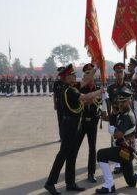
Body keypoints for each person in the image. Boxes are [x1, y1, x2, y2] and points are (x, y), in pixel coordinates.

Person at [44, 64, 104, 195]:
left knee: (71, 155)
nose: (75, 76)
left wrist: (96, 67)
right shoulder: (68, 90)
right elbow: (84, 98)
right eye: (73, 75)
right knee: (63, 155)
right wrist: (100, 91)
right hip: (69, 125)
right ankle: (50, 183)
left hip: (75, 124)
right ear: (67, 77)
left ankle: (70, 183)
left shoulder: (73, 87)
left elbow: (86, 80)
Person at [95, 88, 137, 194]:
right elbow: (105, 117)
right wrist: (104, 102)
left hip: (125, 151)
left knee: (101, 154)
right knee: (131, 181)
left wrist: (112, 129)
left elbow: (118, 134)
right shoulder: (121, 113)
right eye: (120, 101)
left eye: (123, 101)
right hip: (127, 151)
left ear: (129, 101)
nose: (121, 104)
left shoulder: (127, 116)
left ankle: (109, 185)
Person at [103, 62, 132, 174]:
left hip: (125, 116)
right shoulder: (111, 88)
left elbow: (130, 102)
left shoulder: (128, 86)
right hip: (115, 116)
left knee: (125, 140)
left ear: (124, 73)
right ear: (114, 74)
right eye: (117, 72)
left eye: (121, 72)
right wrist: (108, 116)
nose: (119, 74)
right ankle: (117, 164)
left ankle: (123, 162)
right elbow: (108, 103)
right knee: (115, 141)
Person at [53, 67, 65, 141]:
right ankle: (61, 137)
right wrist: (55, 104)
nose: (61, 75)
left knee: (67, 121)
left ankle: (67, 136)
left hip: (67, 105)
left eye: (62, 73)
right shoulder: (56, 83)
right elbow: (54, 95)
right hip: (59, 105)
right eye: (60, 73)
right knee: (60, 121)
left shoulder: (67, 82)